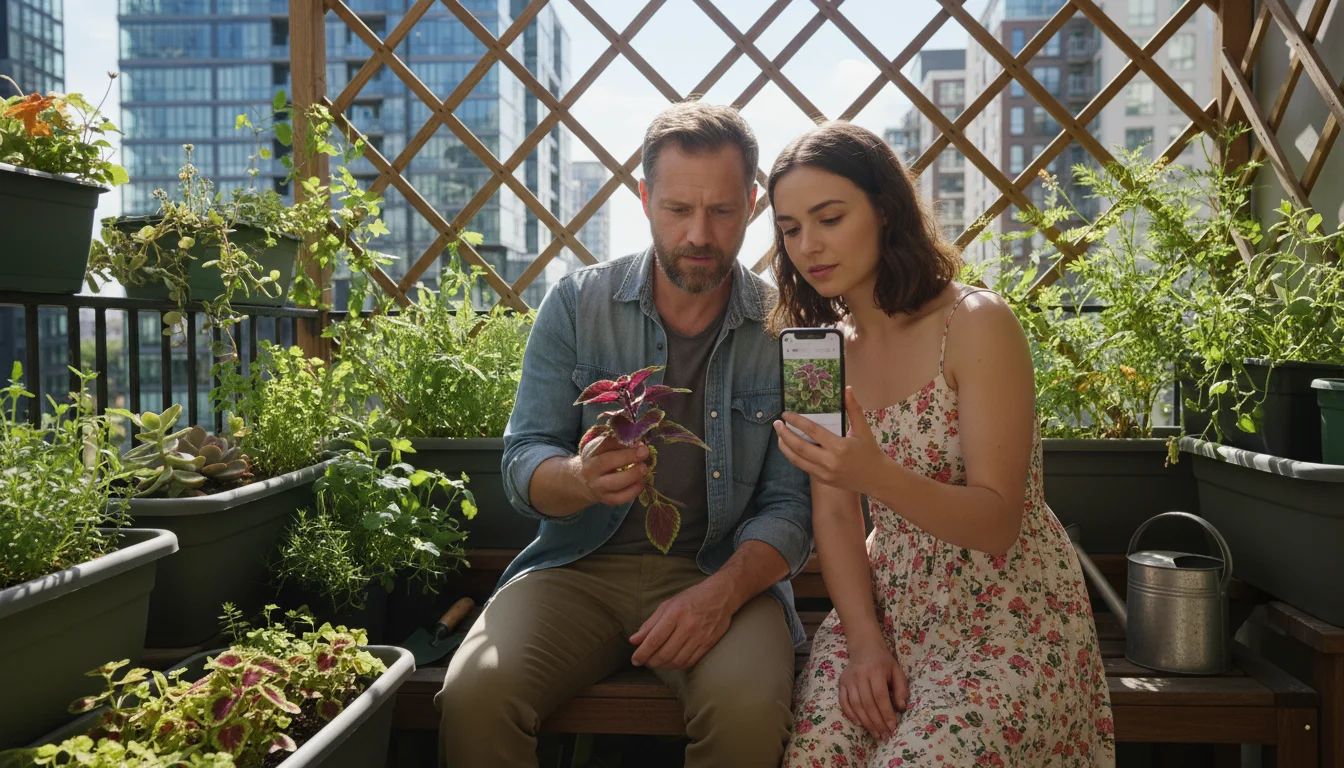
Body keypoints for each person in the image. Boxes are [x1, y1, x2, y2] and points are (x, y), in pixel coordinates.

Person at [435, 101, 813, 768]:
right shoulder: (576, 304)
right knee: (474, 695)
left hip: (725, 573)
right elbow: (523, 460)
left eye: (722, 210)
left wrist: (720, 595)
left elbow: (794, 505)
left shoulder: (793, 332)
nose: (700, 233)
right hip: (576, 571)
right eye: (677, 209)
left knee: (749, 715)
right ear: (643, 197)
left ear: (753, 204)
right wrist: (578, 479)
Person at [768, 122, 1115, 767]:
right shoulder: (818, 353)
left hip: (1006, 613)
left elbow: (999, 522)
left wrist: (874, 474)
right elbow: (836, 514)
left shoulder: (976, 324)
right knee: (819, 755)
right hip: (883, 610)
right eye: (789, 229)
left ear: (884, 209)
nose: (808, 246)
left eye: (830, 217)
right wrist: (866, 645)